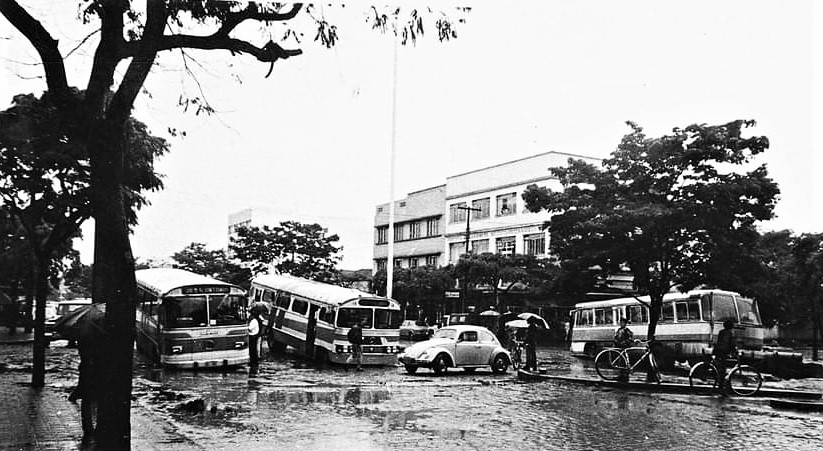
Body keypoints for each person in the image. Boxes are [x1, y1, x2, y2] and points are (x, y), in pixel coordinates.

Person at [713, 319, 737, 389]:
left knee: (720, 366)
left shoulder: (721, 332)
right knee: (723, 368)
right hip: (724, 352)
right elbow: (731, 344)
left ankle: (719, 381)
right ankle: (721, 384)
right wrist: (735, 351)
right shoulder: (730, 333)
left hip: (718, 351)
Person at [613, 317, 634, 382]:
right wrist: (616, 341)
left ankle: (625, 375)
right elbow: (615, 337)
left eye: (623, 323)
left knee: (625, 361)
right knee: (620, 362)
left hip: (625, 347)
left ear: (625, 324)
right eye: (621, 323)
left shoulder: (627, 330)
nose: (621, 324)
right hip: (620, 347)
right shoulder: (619, 330)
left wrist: (625, 342)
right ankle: (621, 375)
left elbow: (630, 338)